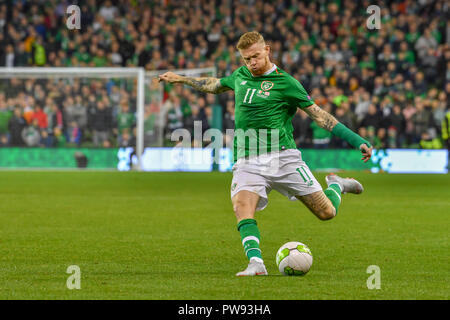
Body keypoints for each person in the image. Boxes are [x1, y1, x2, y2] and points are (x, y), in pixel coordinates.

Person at [158, 31, 372, 276]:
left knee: (326, 213)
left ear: (267, 50)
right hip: (247, 157)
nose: (252, 63)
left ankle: (336, 185)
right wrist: (182, 79)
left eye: (256, 56)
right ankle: (256, 263)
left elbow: (320, 117)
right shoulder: (240, 75)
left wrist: (357, 140)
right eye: (246, 59)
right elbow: (215, 84)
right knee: (241, 206)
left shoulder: (287, 83)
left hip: (283, 157)